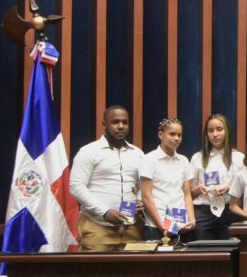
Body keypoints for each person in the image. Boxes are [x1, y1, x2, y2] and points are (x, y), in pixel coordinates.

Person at [69, 105, 145, 250]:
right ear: (104, 124)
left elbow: (143, 185)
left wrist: (140, 201)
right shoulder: (89, 151)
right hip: (97, 227)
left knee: (132, 272)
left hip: (132, 229)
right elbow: (76, 186)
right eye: (115, 122)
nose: (121, 126)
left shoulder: (138, 153)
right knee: (96, 272)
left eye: (125, 122)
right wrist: (104, 211)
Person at [190, 114, 244, 240]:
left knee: (230, 254)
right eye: (210, 130)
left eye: (219, 129)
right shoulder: (197, 158)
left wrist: (231, 188)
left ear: (227, 131)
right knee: (203, 254)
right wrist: (199, 189)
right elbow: (188, 193)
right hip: (203, 213)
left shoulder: (239, 158)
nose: (215, 134)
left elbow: (246, 189)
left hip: (229, 211)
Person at [139, 119, 195, 241]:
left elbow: (187, 194)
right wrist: (162, 226)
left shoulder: (183, 160)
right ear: (160, 134)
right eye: (172, 134)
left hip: (181, 224)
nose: (176, 138)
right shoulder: (149, 159)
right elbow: (146, 196)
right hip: (156, 225)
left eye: (179, 135)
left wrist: (192, 219)